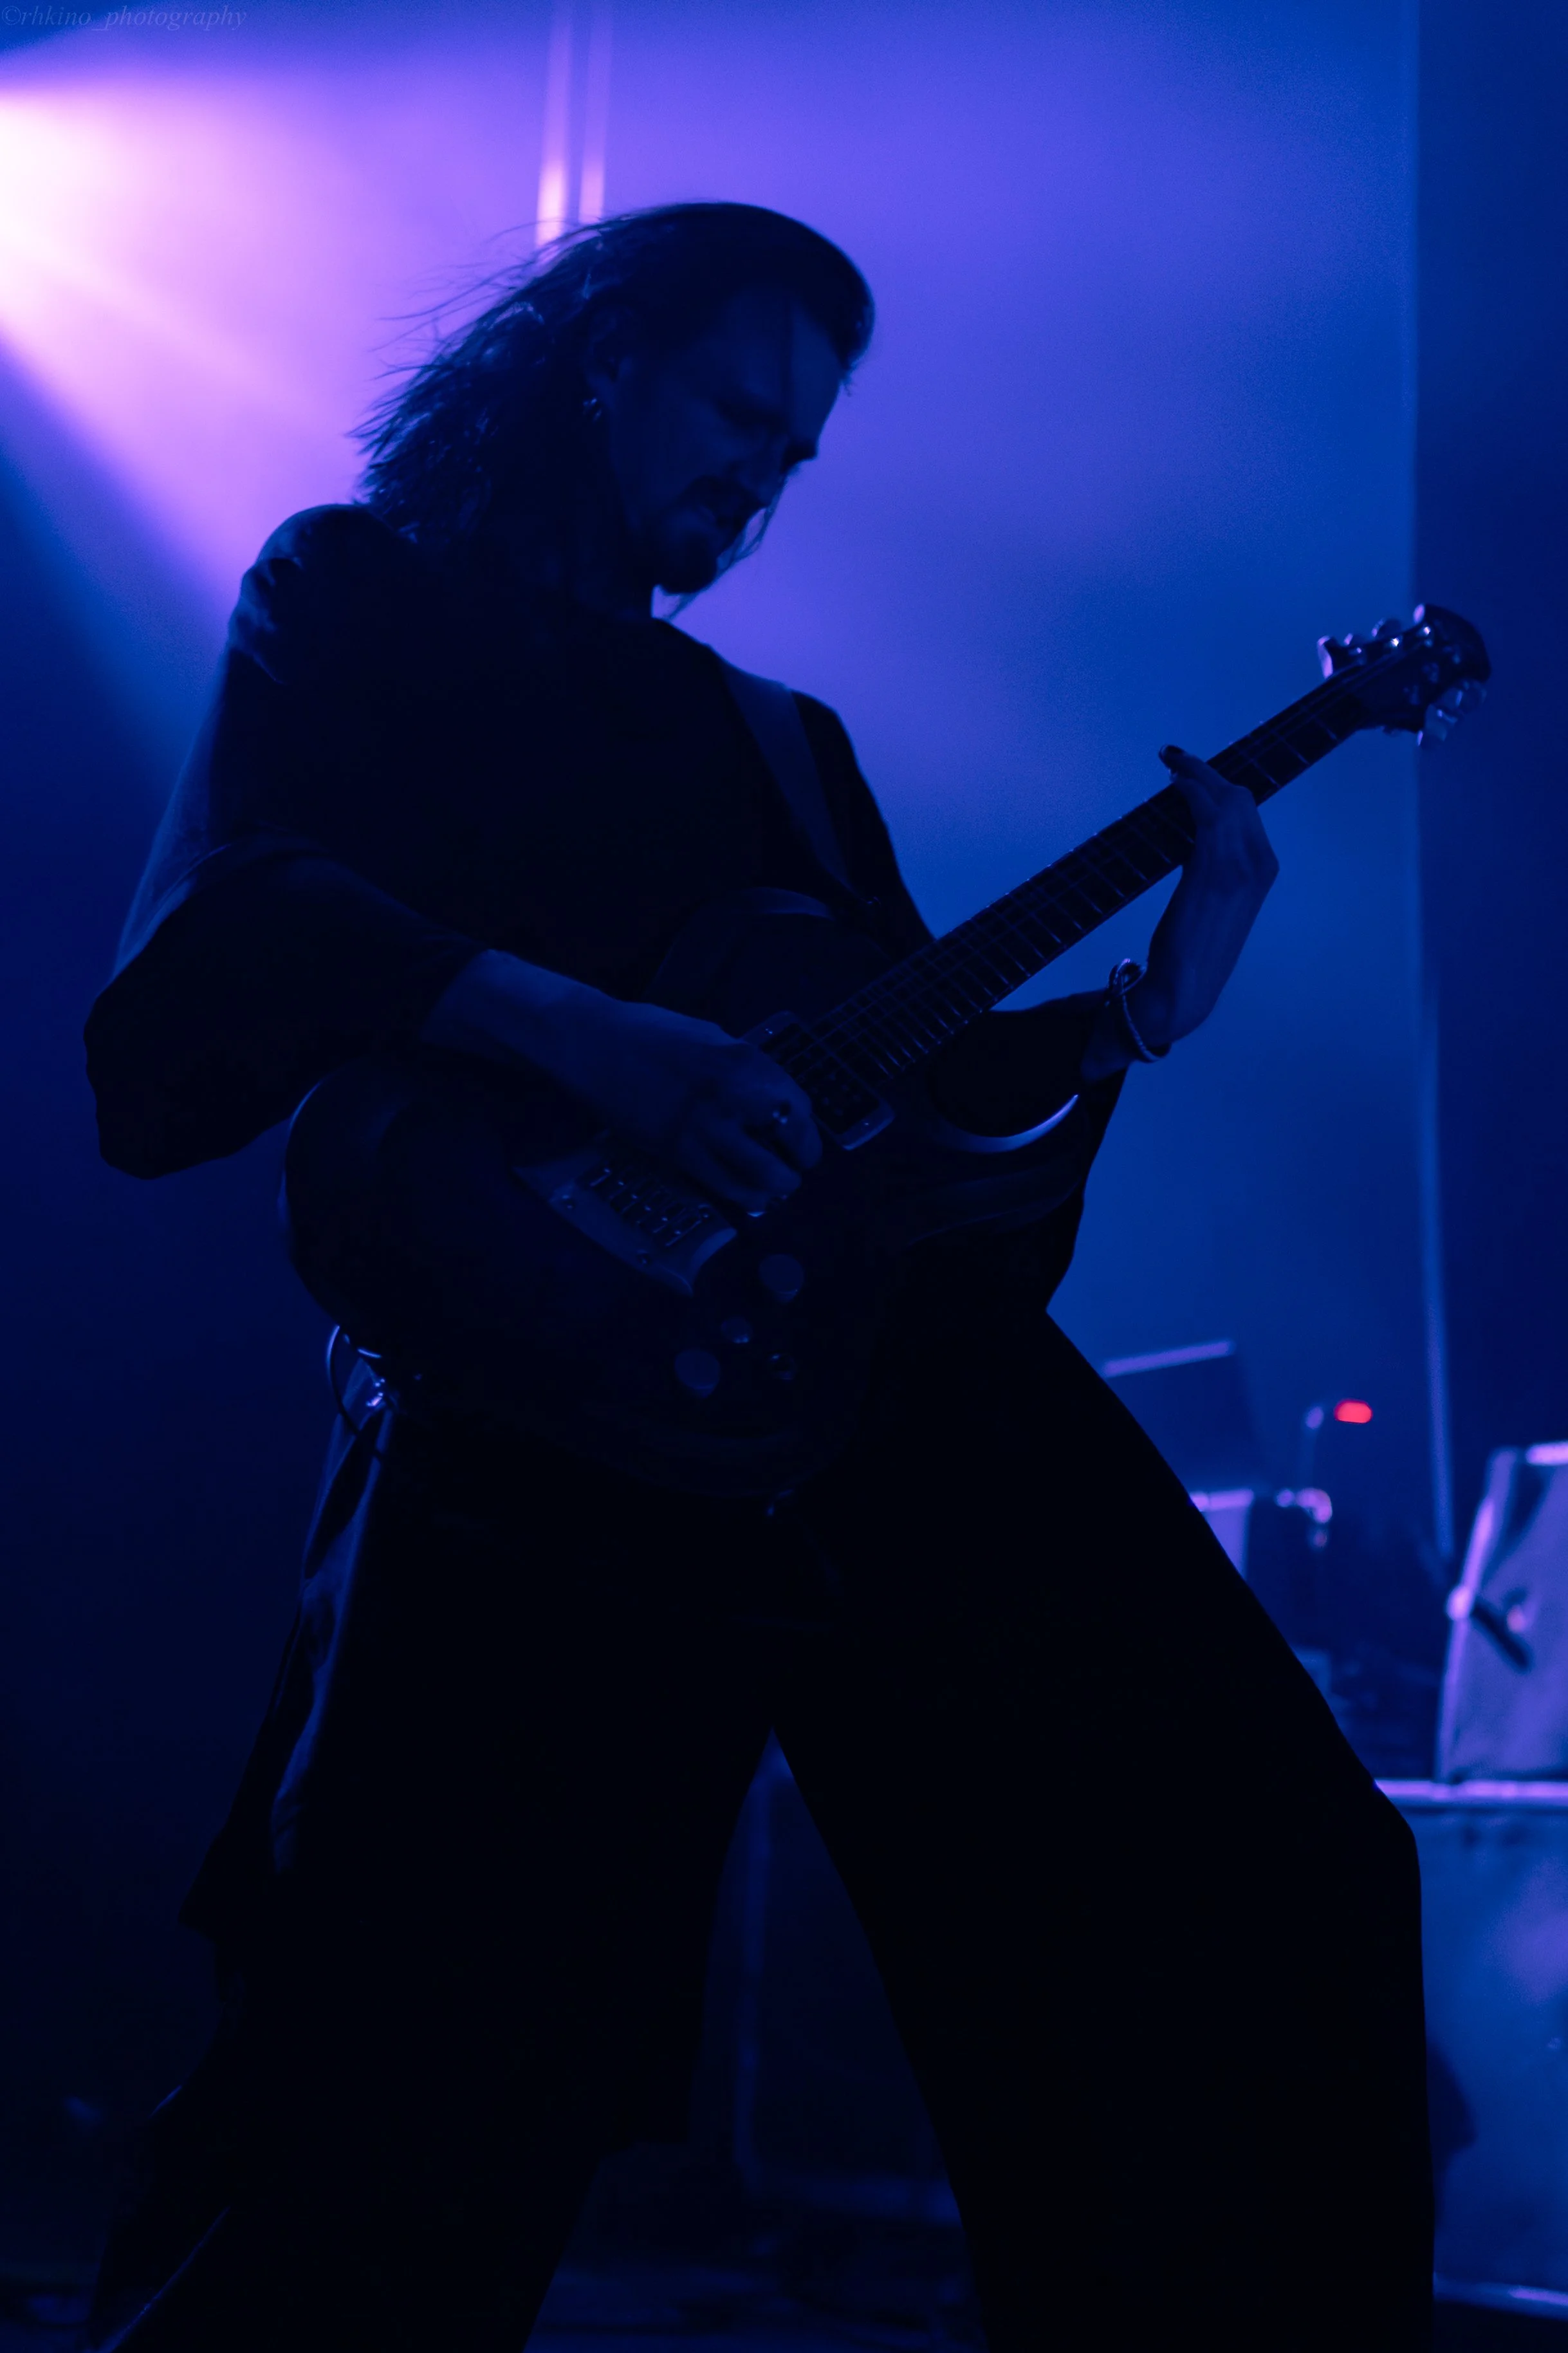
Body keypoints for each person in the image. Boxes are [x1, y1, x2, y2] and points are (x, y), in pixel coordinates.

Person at [83, 203, 1431, 2351]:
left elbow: (908, 1137)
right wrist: (582, 1030)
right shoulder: (353, 599)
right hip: (527, 1425)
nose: (762, 481)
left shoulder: (781, 742)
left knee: (1259, 1889)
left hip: (859, 1395)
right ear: (596, 357)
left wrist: (1126, 1023)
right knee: (390, 2100)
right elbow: (227, 943)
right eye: (737, 412)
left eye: (799, 457)